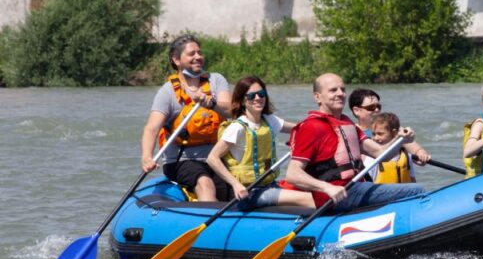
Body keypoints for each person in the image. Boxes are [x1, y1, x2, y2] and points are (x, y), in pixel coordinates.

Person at [283, 73, 426, 211]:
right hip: (338, 196)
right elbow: (293, 174)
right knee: (416, 190)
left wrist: (401, 139)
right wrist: (326, 188)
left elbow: (382, 154)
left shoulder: (346, 124)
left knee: (410, 189)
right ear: (317, 97)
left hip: (356, 187)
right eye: (333, 90)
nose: (340, 93)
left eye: (343, 89)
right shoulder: (312, 127)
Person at [140, 34, 232, 201]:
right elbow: (152, 128)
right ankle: (212, 224)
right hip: (181, 160)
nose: (198, 57)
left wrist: (211, 104)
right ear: (176, 59)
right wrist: (147, 157)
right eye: (191, 54)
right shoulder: (167, 92)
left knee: (235, 189)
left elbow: (231, 110)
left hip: (216, 157)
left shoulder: (216, 81)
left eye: (199, 53)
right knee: (205, 184)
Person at [206, 76, 314, 208]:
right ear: (243, 101)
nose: (258, 98)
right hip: (250, 193)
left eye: (261, 94)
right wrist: (235, 184)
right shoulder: (238, 127)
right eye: (251, 96)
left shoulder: (269, 121)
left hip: (270, 185)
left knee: (312, 191)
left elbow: (299, 129)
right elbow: (212, 158)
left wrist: (319, 125)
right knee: (308, 198)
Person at [348, 88, 431, 165]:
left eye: (378, 106)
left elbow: (416, 150)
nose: (377, 110)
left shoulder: (395, 130)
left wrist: (421, 154)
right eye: (371, 107)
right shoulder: (350, 133)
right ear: (356, 110)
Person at [365, 112, 417, 184]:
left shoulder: (406, 155)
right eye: (373, 134)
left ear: (395, 133)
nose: (375, 138)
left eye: (380, 134)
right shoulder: (371, 158)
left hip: (406, 194)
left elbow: (412, 180)